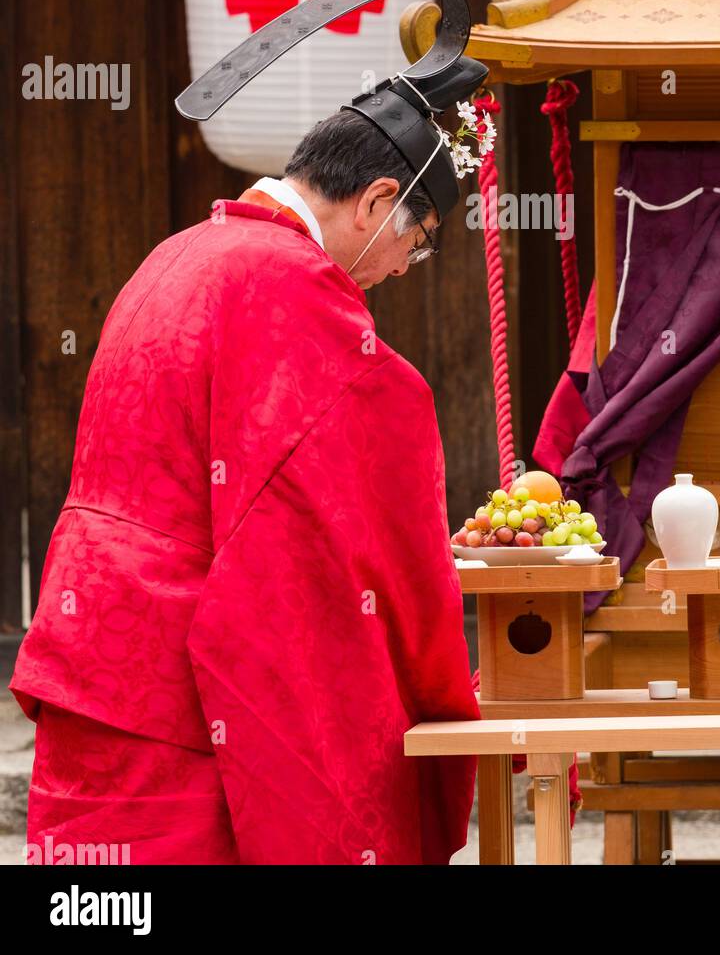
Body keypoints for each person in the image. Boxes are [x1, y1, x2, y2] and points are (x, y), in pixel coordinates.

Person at [11, 99, 484, 865]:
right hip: (179, 668)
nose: (402, 268)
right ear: (376, 202)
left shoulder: (177, 253)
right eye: (416, 245)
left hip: (92, 635)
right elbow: (359, 490)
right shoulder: (288, 280)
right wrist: (437, 673)